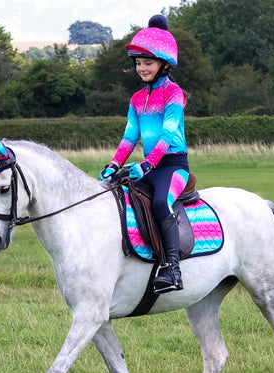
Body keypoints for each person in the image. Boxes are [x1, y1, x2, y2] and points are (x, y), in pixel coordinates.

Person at [99, 14, 190, 294]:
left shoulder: (173, 94)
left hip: (172, 166)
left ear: (163, 64)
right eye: (138, 63)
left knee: (162, 203)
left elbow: (167, 134)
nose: (141, 68)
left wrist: (149, 164)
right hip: (147, 167)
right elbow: (129, 137)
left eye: (147, 63)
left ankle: (172, 269)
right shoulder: (137, 99)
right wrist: (114, 164)